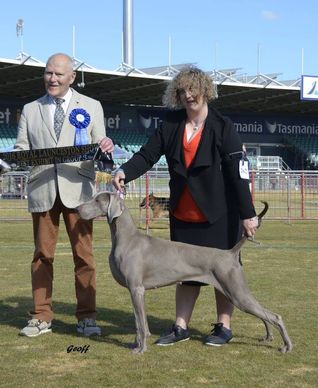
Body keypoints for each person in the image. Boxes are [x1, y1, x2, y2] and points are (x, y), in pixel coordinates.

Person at [113, 66, 259, 347]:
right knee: (184, 273)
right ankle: (181, 327)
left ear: (205, 90)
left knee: (221, 272)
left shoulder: (222, 126)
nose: (188, 95)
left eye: (193, 89)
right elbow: (147, 155)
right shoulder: (170, 124)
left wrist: (248, 214)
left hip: (219, 214)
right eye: (182, 91)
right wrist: (124, 171)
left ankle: (223, 326)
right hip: (183, 213)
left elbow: (237, 173)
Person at [0, 53, 114, 337]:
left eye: (57, 74)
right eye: (47, 73)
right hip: (42, 189)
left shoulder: (92, 106)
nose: (51, 79)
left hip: (79, 193)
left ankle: (87, 317)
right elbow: (21, 150)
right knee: (42, 255)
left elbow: (100, 146)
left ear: (71, 77)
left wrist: (105, 144)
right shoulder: (31, 109)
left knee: (85, 256)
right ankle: (41, 317)